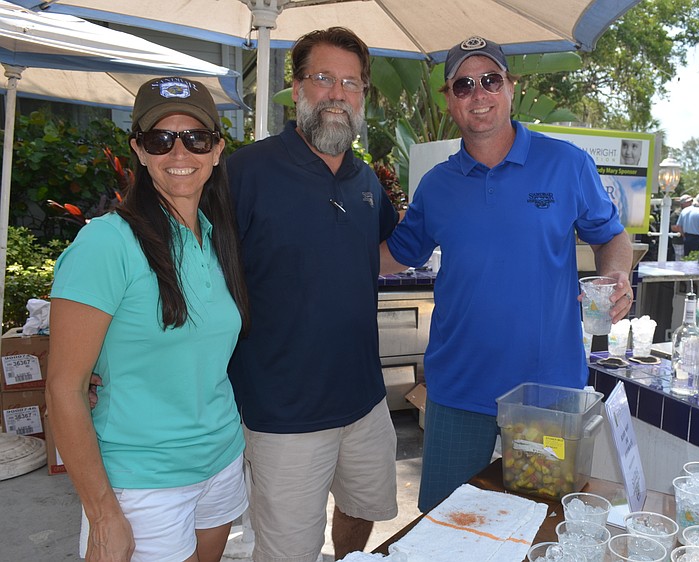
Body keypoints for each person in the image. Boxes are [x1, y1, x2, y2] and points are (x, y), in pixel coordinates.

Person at [386, 36, 634, 513]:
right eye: (463, 85)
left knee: (541, 521)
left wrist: (616, 275)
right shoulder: (436, 185)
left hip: (548, 392)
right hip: (459, 388)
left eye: (490, 80)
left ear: (510, 87)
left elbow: (612, 238)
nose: (478, 94)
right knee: (445, 524)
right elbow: (395, 254)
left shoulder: (566, 164)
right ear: (449, 99)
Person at [47, 77, 251, 561]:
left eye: (195, 138)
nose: (180, 151)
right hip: (142, 480)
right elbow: (63, 389)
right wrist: (103, 513)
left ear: (217, 150)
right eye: (161, 139)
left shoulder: (215, 236)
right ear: (139, 150)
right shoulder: (106, 243)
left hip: (221, 458)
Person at [226, 27, 399, 562]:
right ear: (298, 88)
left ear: (363, 95)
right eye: (323, 78)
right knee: (289, 550)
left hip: (364, 398)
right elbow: (200, 271)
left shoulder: (366, 180)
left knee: (363, 508)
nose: (337, 94)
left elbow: (383, 252)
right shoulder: (244, 172)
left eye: (351, 83)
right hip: (283, 410)